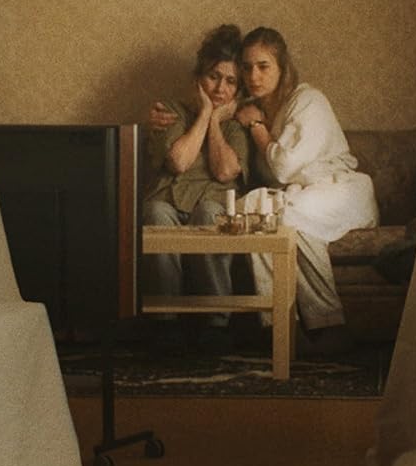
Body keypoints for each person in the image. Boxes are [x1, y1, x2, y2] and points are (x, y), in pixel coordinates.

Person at [235, 26, 378, 357]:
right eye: (247, 67)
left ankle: (329, 325)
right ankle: (280, 326)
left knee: (284, 216)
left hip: (341, 191)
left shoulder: (308, 100)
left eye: (263, 66)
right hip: (301, 196)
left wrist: (256, 127)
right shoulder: (257, 106)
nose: (253, 76)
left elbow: (284, 167)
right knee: (253, 212)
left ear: (282, 66)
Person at [142, 23, 249, 349]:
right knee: (156, 213)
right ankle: (165, 323)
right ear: (199, 78)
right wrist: (205, 113)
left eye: (230, 81)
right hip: (168, 202)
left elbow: (225, 171)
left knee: (210, 214)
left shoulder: (236, 125)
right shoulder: (171, 112)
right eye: (214, 76)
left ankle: (216, 323)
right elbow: (179, 163)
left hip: (211, 203)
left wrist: (216, 122)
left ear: (238, 89)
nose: (220, 88)